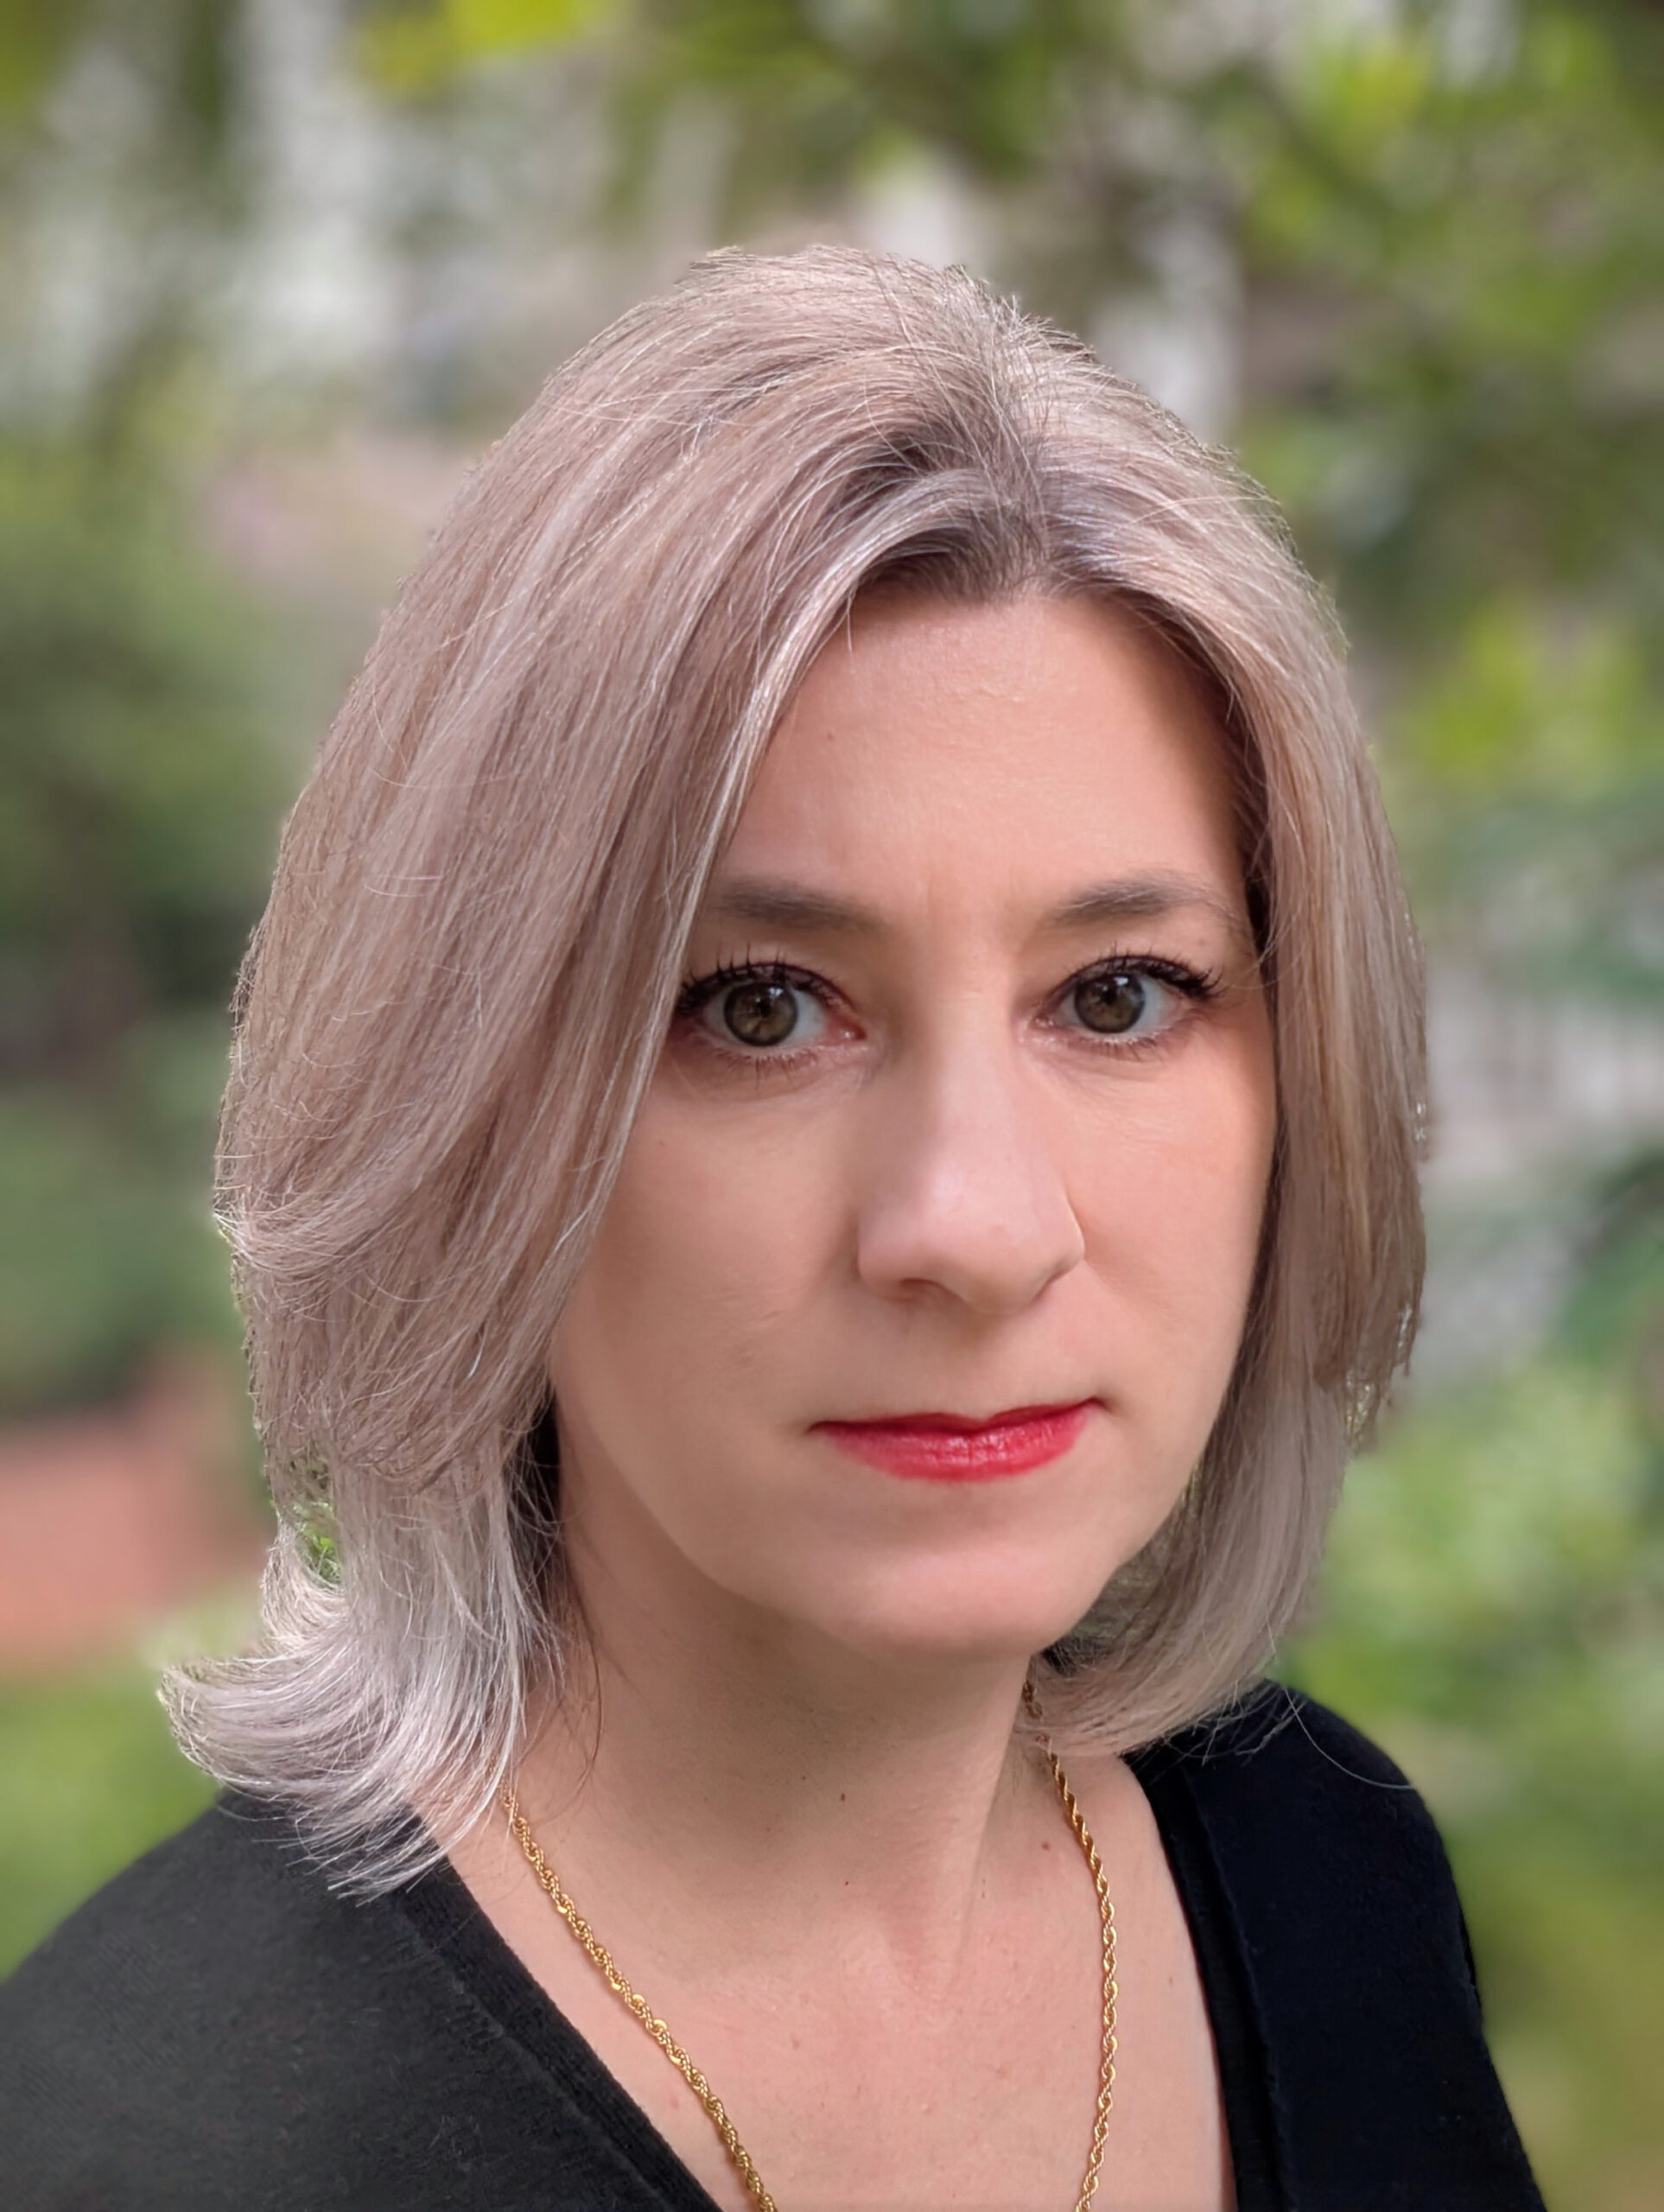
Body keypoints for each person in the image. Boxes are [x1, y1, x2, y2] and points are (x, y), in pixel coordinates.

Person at [2, 246, 1544, 2212]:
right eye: (761, 1005)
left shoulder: (1328, 1874)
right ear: (469, 1103)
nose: (973, 1230)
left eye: (1122, 992)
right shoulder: (142, 2142)